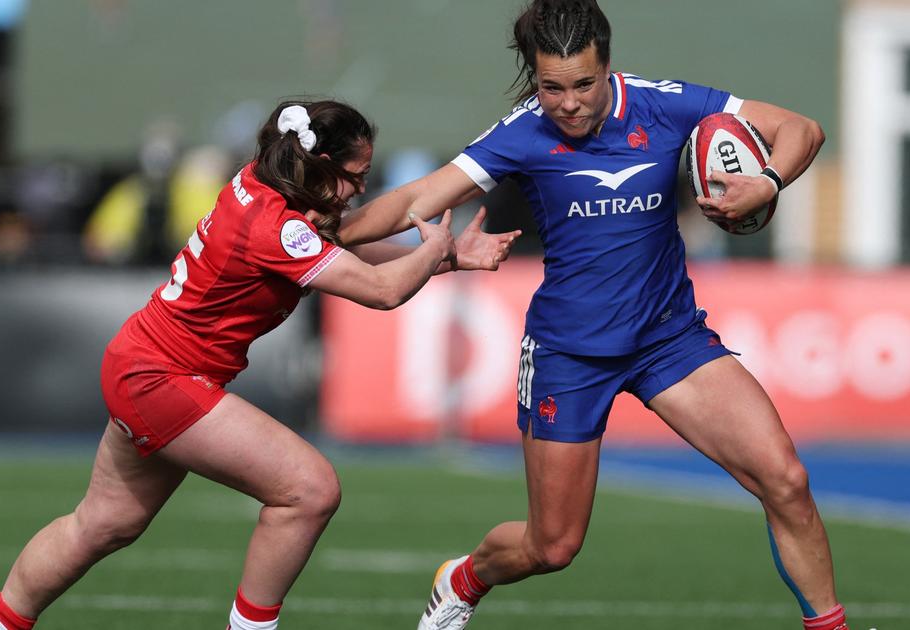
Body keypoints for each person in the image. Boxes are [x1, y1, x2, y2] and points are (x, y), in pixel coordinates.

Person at [338, 2, 847, 629]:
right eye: (553, 87)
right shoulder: (522, 133)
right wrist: (325, 228)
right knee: (552, 547)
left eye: (584, 84)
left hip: (668, 340)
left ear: (608, 67)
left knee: (787, 481)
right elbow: (418, 198)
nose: (569, 102)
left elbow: (802, 128)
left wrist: (766, 181)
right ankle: (463, 578)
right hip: (569, 353)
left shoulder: (667, 104)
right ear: (535, 78)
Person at [0, 99, 517, 630]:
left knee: (102, 524)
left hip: (143, 362)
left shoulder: (267, 185)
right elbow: (381, 290)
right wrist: (436, 245)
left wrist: (447, 259)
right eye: (355, 174)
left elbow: (334, 245)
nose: (362, 188)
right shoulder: (277, 225)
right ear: (320, 165)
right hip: (163, 379)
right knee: (309, 489)